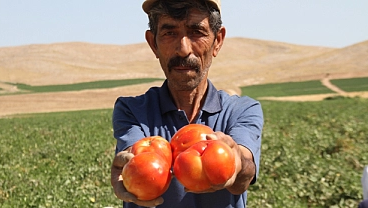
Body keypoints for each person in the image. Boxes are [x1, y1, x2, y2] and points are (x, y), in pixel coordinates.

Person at [110, 0, 264, 207]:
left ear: (217, 41)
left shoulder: (242, 110)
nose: (183, 49)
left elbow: (243, 174)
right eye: (169, 33)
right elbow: (135, 159)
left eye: (196, 32)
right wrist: (128, 170)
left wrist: (234, 161)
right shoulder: (132, 111)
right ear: (153, 44)